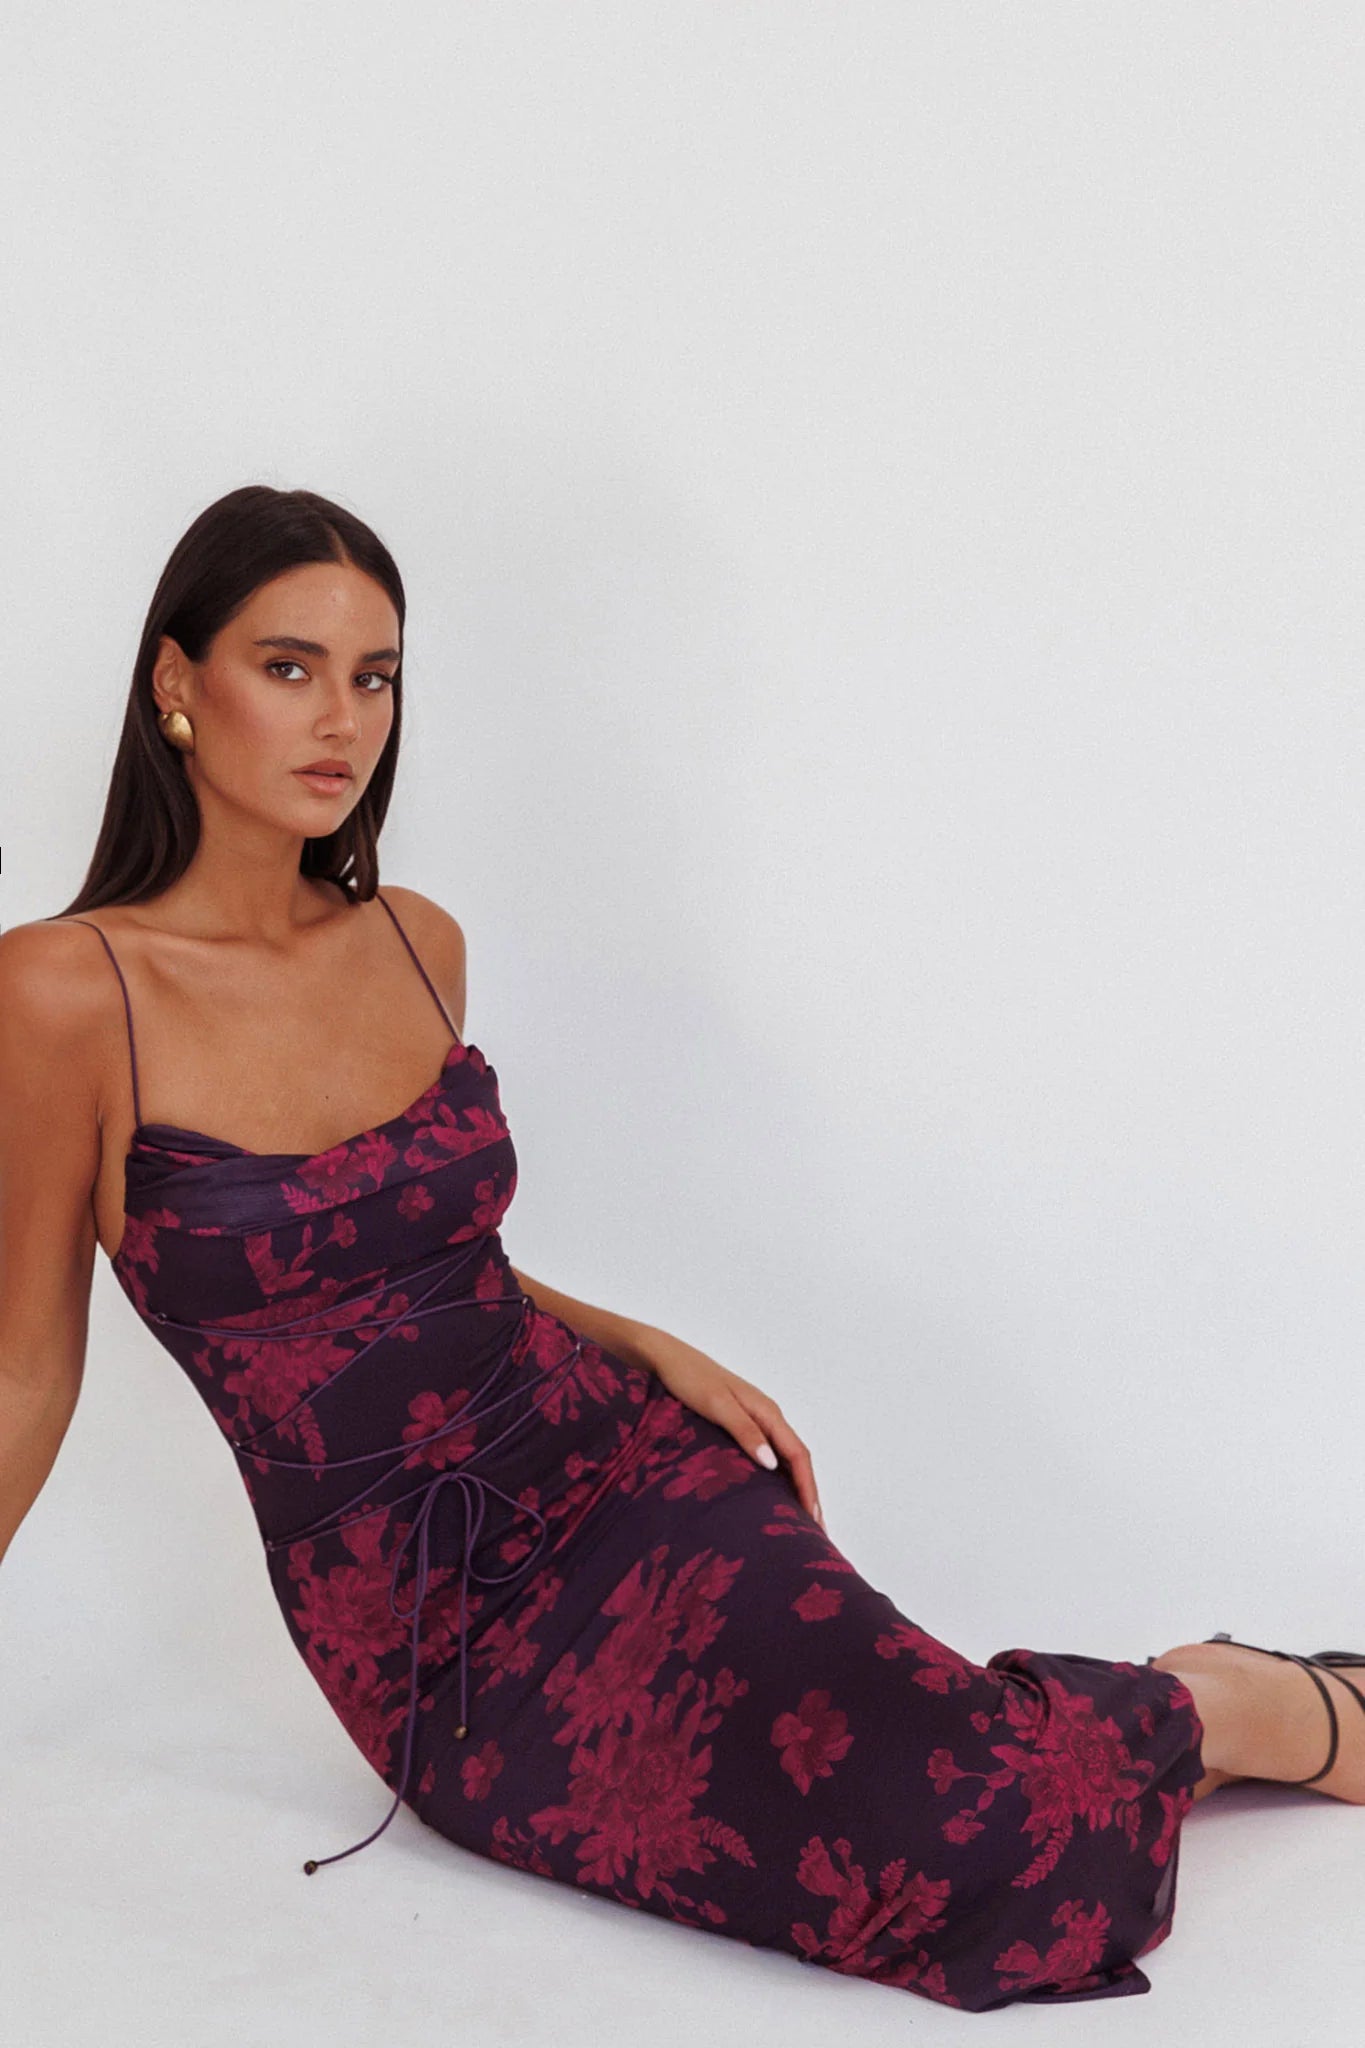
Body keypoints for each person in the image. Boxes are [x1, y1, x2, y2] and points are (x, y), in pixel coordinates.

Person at [1, 484, 1361, 2016]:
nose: (342, 720)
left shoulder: (412, 941)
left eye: (374, 675)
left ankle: (1224, 1701)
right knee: (951, 1857)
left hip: (621, 1465)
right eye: (288, 666)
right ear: (177, 683)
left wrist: (642, 1347)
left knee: (963, 1792)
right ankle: (1211, 1706)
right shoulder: (65, 994)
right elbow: (23, 1374)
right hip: (433, 1640)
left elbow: (425, 1264)